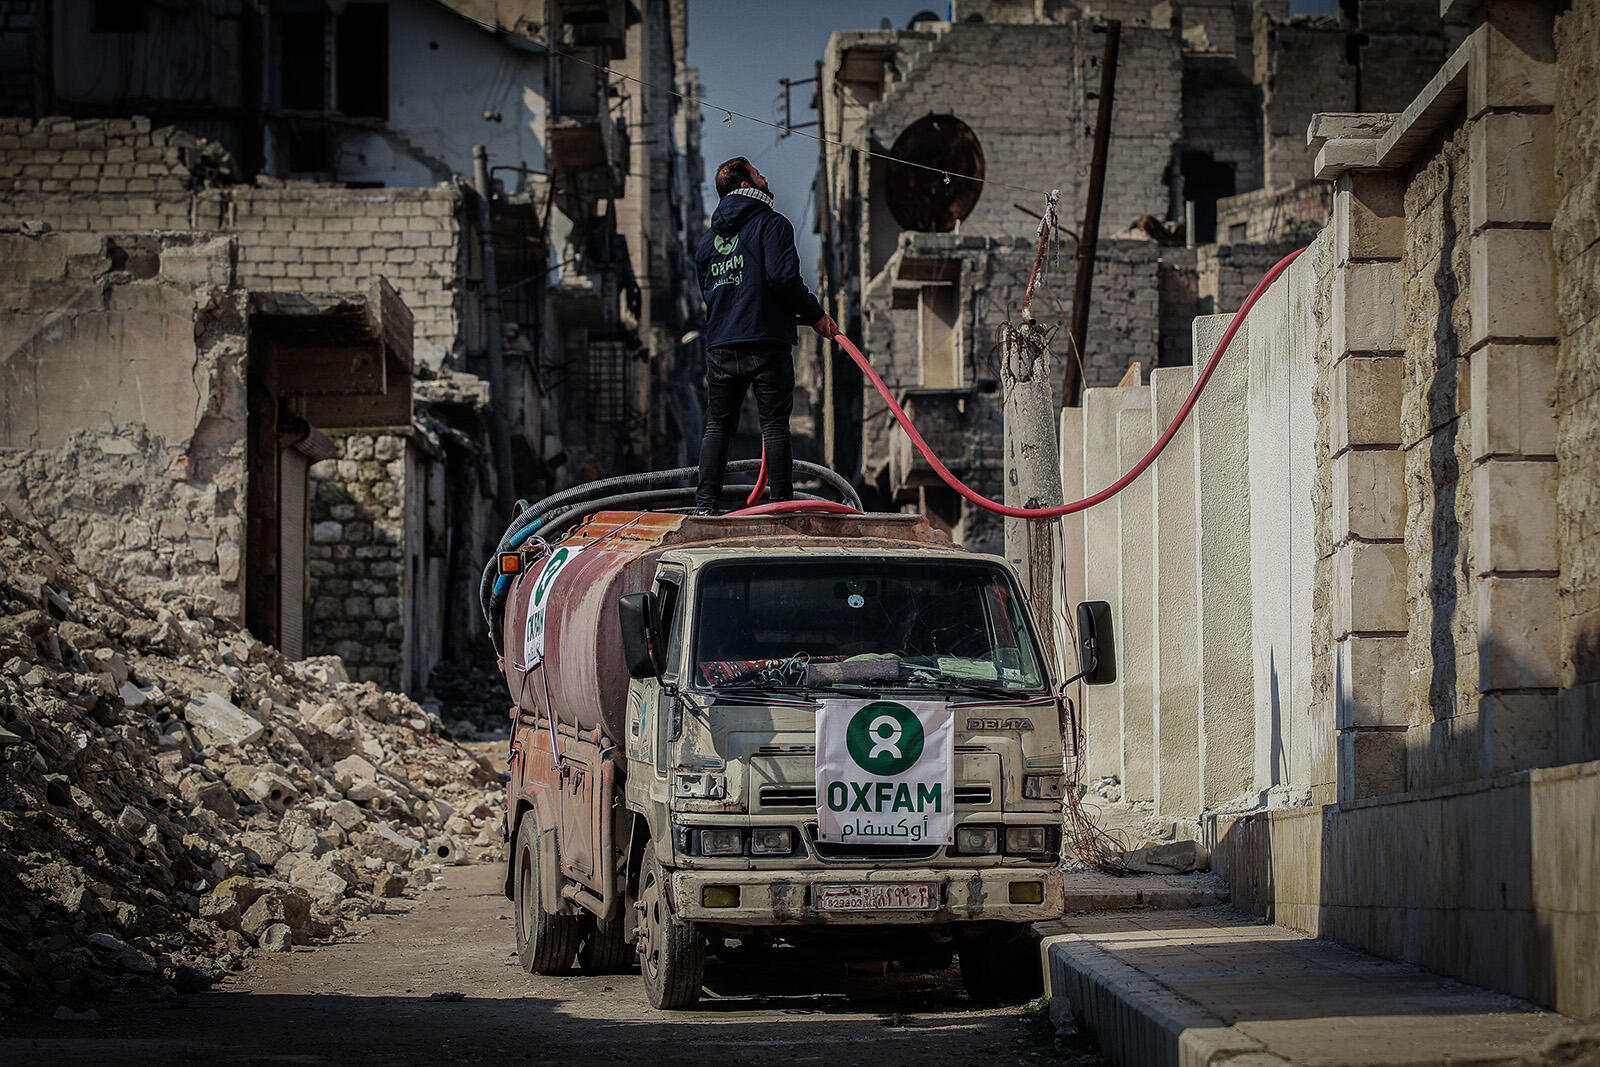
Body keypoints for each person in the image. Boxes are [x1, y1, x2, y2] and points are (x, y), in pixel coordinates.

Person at [693, 156, 839, 514]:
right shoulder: (772, 225)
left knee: (718, 427)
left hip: (721, 346)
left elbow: (709, 293)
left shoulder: (707, 243)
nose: (765, 177)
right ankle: (781, 505)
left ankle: (705, 505)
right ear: (745, 185)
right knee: (774, 425)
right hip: (765, 340)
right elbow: (783, 279)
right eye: (758, 174)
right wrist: (817, 316)